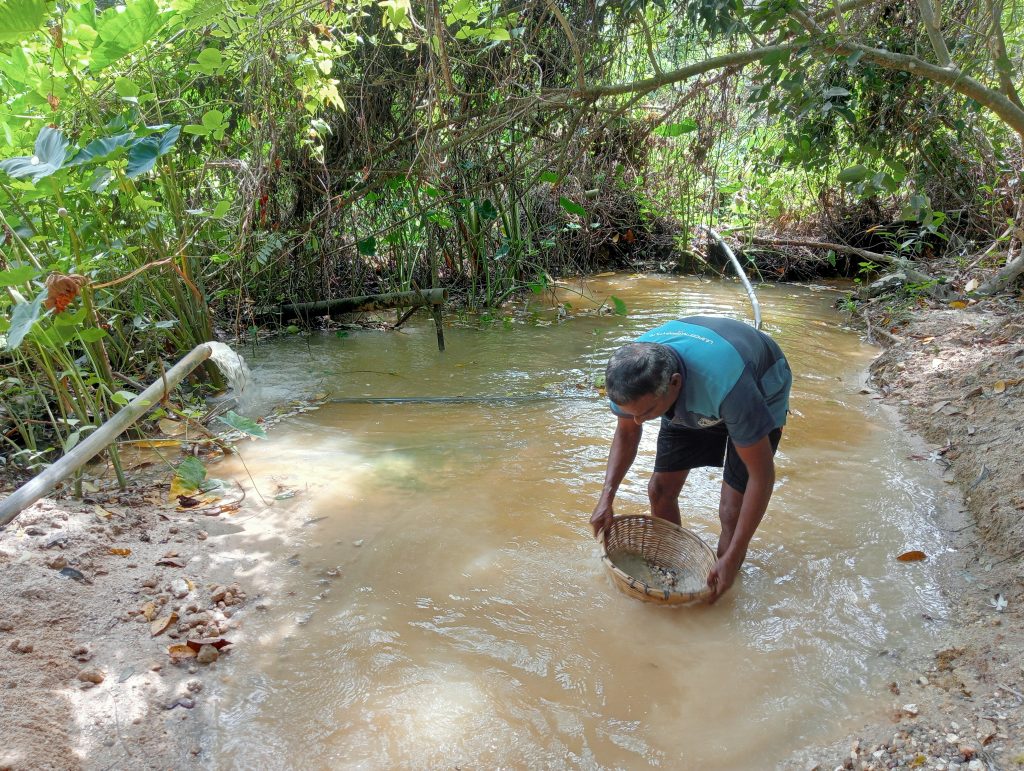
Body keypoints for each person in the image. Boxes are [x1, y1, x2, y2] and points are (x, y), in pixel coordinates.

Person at [590, 315, 792, 603]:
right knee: (659, 490)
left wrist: (733, 556)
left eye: (646, 413)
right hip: (693, 391)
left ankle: (721, 586)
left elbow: (762, 476)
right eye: (631, 412)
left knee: (731, 509)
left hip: (758, 386)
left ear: (675, 384)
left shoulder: (729, 386)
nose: (638, 421)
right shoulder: (631, 379)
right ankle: (673, 572)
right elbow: (626, 433)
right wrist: (606, 498)